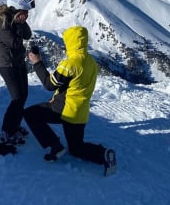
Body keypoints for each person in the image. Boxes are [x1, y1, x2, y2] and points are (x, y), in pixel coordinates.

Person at [24, 25, 117, 176]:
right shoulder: (91, 62)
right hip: (80, 113)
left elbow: (49, 84)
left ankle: (55, 145)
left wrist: (37, 63)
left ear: (71, 42)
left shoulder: (70, 64)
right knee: (76, 148)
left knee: (30, 114)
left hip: (63, 110)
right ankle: (103, 154)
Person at [0, 0, 35, 145]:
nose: (27, 15)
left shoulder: (16, 20)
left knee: (24, 95)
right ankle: (7, 131)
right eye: (24, 12)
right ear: (16, 9)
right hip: (7, 64)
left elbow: (27, 35)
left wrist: (21, 22)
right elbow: (14, 43)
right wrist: (19, 23)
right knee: (17, 98)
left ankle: (14, 127)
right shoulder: (1, 21)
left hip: (18, 61)